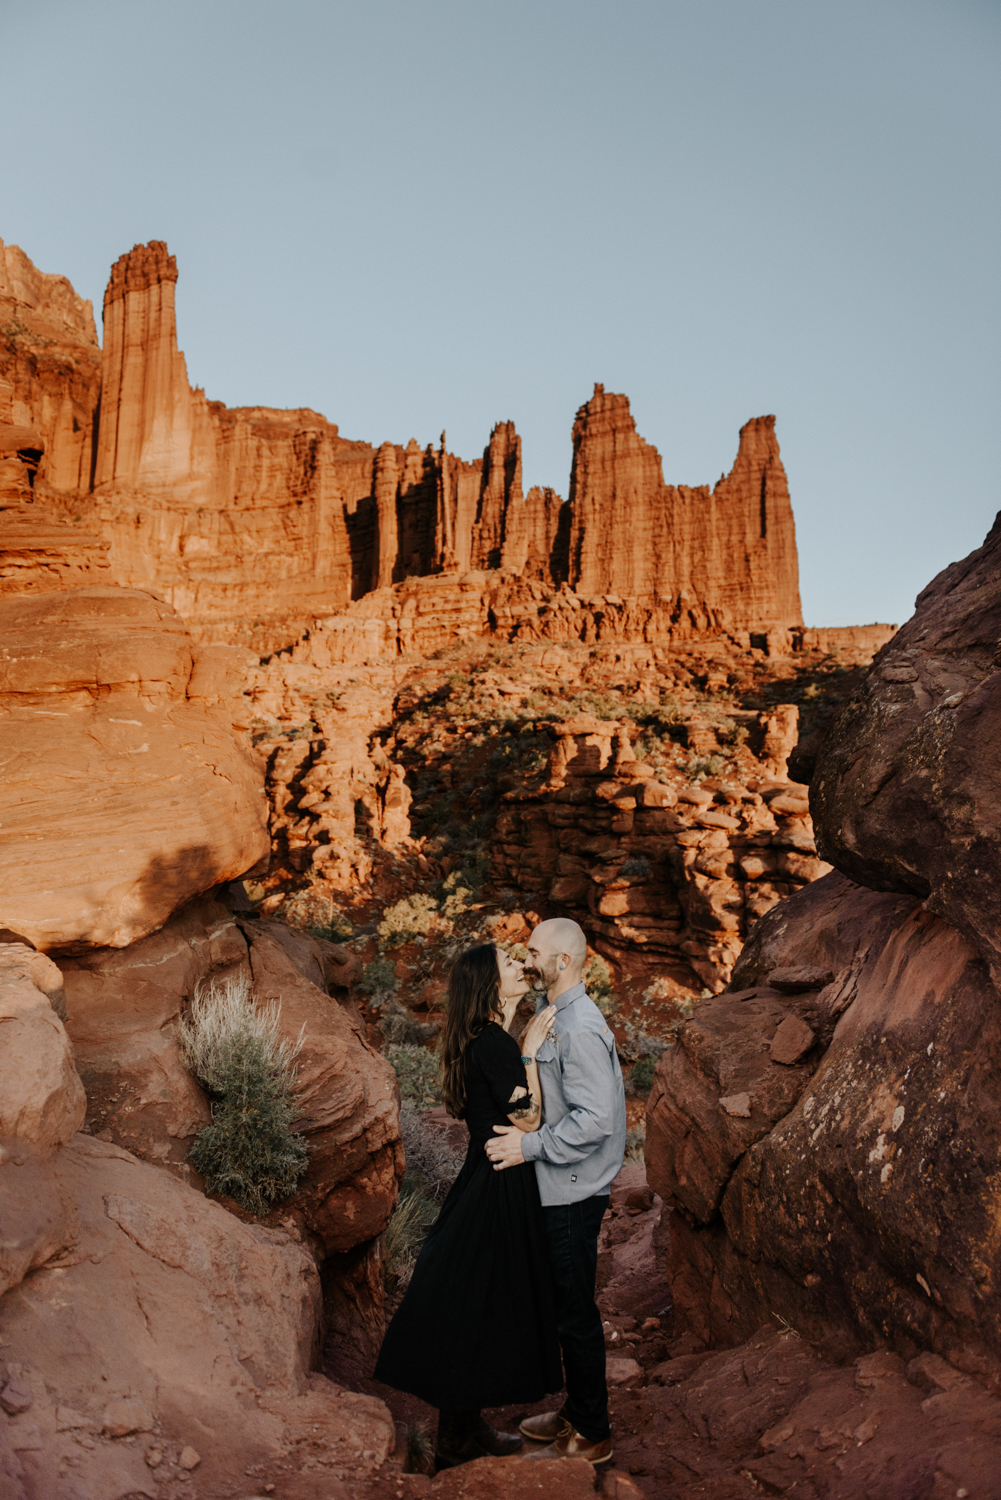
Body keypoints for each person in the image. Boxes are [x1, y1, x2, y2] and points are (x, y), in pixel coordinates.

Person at [374, 943, 562, 1469]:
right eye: (510, 963)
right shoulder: (497, 1044)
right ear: (488, 982)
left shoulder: (478, 1039)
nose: (521, 967)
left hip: (483, 1180)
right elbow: (527, 1120)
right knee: (481, 1305)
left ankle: (463, 1432)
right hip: (499, 1186)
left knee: (473, 1304)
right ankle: (456, 1443)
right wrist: (529, 1050)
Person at [485, 917, 626, 1466]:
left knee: (575, 1313)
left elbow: (596, 1120)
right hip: (558, 1188)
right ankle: (575, 1409)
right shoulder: (556, 1017)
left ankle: (593, 1432)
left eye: (535, 952)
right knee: (564, 1306)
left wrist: (530, 1148)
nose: (527, 960)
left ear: (562, 961)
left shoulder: (581, 1027)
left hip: (571, 1193)